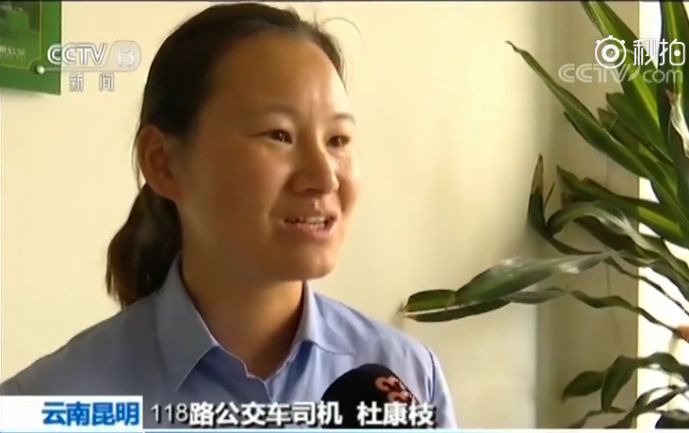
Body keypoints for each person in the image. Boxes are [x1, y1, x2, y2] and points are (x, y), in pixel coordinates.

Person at [0, 3, 457, 428]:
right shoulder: (47, 406)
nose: (323, 178)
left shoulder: (408, 378)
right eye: (279, 134)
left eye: (337, 140)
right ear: (163, 163)